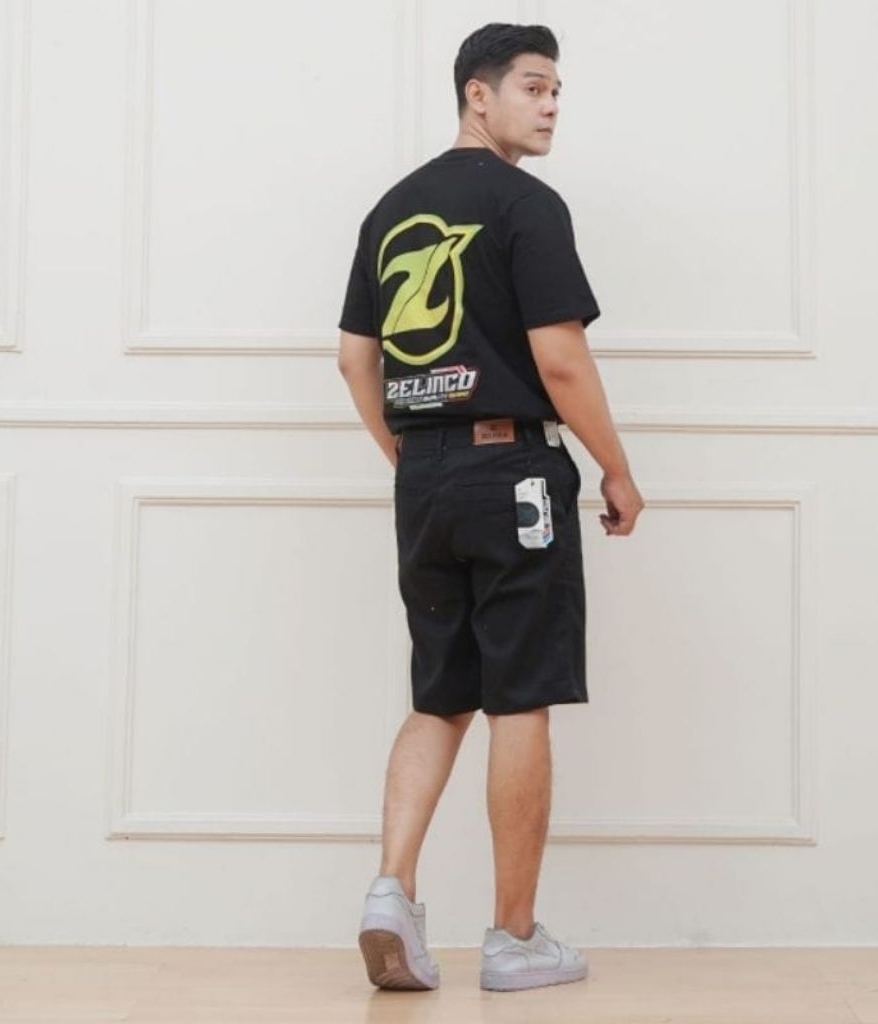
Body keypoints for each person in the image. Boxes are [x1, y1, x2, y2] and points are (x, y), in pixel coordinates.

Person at [337, 22, 644, 993]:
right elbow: (560, 357)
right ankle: (513, 940)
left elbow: (355, 358)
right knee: (519, 696)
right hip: (512, 473)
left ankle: (391, 891)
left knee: (440, 693)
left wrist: (409, 455)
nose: (551, 106)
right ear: (479, 93)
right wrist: (616, 469)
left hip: (425, 479)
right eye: (533, 87)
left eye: (557, 91)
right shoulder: (526, 203)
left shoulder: (392, 208)